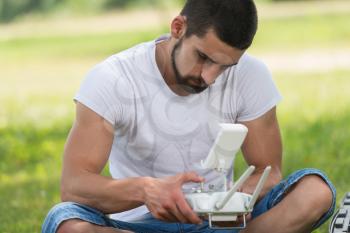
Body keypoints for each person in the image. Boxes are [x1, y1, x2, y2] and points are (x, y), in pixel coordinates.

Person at [42, 0, 336, 232]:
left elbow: (268, 171)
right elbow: (74, 185)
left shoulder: (251, 75)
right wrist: (147, 191)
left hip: (224, 225)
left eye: (224, 67)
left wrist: (237, 198)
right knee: (67, 223)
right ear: (178, 27)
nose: (209, 78)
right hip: (136, 226)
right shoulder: (113, 78)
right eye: (204, 58)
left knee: (316, 191)